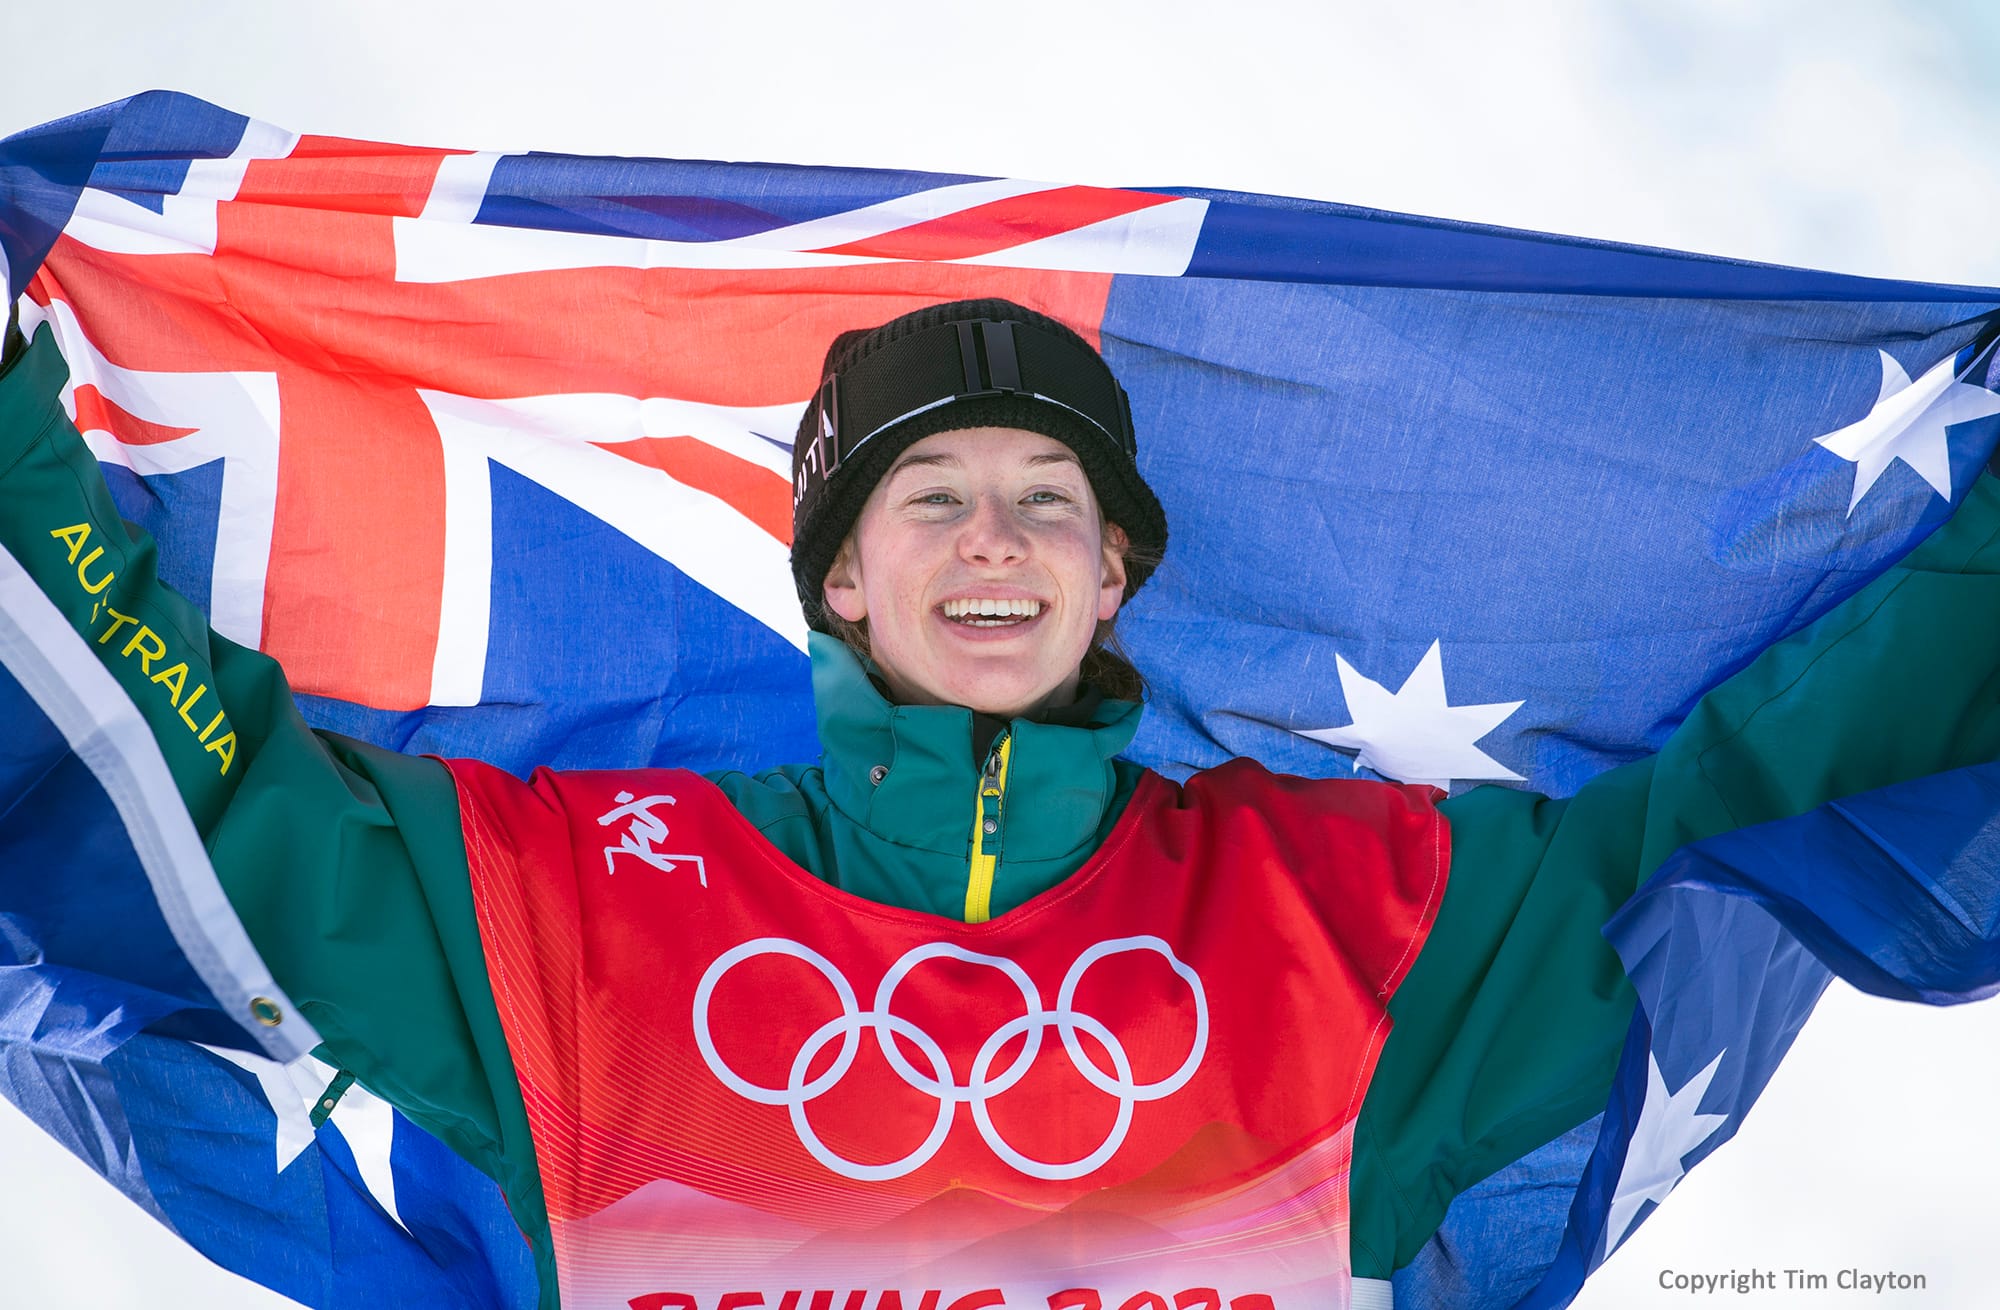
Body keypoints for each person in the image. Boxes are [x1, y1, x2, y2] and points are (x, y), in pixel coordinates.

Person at [3, 295, 1998, 1310]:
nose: (997, 540)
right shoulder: (582, 897)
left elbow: (1735, 805)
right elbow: (211, 797)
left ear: (1113, 575)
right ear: (840, 575)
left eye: (1050, 502)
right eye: (929, 497)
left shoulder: (1351, 911)